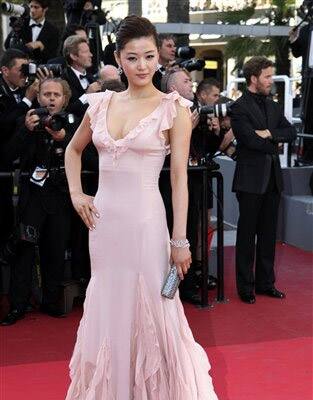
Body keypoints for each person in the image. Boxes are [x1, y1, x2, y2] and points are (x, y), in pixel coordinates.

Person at [64, 15, 218, 399]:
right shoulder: (100, 104)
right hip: (103, 226)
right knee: (108, 305)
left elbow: (179, 179)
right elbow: (73, 149)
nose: (143, 65)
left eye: (149, 56)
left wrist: (180, 240)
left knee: (154, 308)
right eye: (133, 58)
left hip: (147, 225)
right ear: (119, 58)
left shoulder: (174, 108)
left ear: (158, 58)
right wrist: (77, 193)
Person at [0, 78, 75, 325]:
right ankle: (18, 305)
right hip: (32, 198)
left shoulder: (72, 123)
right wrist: (25, 130)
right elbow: (8, 155)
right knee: (23, 250)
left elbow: (86, 153)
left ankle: (50, 301)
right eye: (46, 94)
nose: (51, 99)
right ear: (38, 97)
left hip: (61, 196)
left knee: (55, 250)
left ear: (65, 99)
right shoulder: (28, 122)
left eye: (56, 94)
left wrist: (63, 138)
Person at [231, 56, 296, 304]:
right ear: (253, 78)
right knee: (247, 236)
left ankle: (266, 283)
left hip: (273, 181)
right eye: (267, 77)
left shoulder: (274, 106)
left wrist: (270, 133)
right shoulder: (238, 108)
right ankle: (245, 288)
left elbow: (290, 133)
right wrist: (272, 143)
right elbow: (249, 140)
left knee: (269, 235)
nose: (271, 81)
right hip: (250, 181)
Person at [4, 0, 60, 64]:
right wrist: (14, 30)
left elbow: (52, 57)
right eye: (31, 7)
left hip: (41, 70)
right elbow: (7, 46)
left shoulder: (53, 30)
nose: (32, 10)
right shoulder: (21, 23)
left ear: (45, 9)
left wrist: (41, 47)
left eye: (36, 7)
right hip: (21, 69)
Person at [61, 35, 101, 119]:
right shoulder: (63, 79)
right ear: (73, 56)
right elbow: (67, 109)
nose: (91, 55)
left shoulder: (91, 77)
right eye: (86, 52)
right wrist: (87, 95)